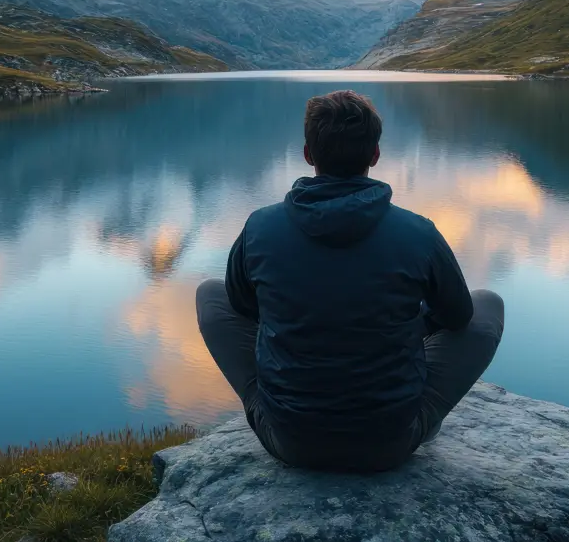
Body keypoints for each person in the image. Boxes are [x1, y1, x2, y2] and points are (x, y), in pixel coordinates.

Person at [196, 89, 504, 473]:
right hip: (390, 443)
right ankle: (422, 419)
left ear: (308, 154)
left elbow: (243, 308)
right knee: (488, 304)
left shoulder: (260, 226)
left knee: (210, 295)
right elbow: (459, 318)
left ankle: (266, 402)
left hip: (290, 441)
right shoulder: (418, 232)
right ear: (375, 155)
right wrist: (413, 321)